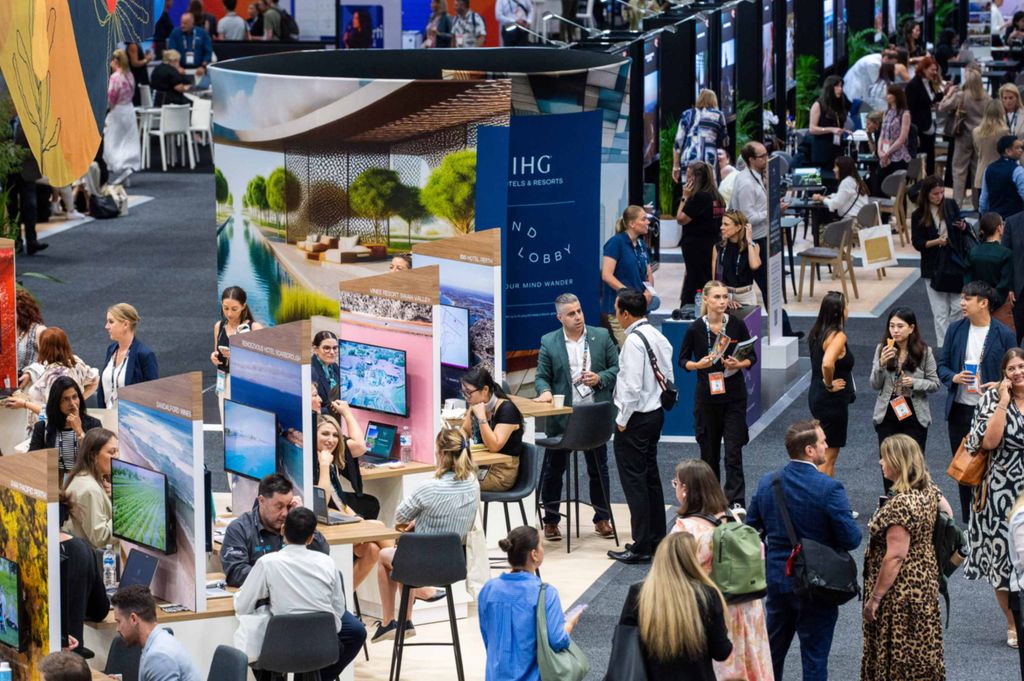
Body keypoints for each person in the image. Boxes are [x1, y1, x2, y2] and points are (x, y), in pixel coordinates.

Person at [746, 419, 861, 681]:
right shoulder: (829, 488)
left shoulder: (768, 483)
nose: (826, 445)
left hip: (778, 581)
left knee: (771, 655)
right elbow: (852, 538)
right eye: (822, 442)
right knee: (814, 660)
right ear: (809, 450)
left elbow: (751, 529)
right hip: (817, 586)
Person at [373, 426, 479, 642]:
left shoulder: (428, 487)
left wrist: (417, 519)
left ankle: (389, 622)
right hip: (455, 564)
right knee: (402, 555)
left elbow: (400, 516)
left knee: (386, 557)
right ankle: (406, 621)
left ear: (441, 454)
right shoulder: (473, 483)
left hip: (421, 563)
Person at [235, 507, 366, 680]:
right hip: (323, 646)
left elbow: (243, 605)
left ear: (283, 530)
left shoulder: (267, 563)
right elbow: (339, 610)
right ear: (311, 538)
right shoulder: (327, 563)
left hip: (281, 648)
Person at [671, 460, 772, 680]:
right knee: (749, 665)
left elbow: (672, 578)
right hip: (747, 606)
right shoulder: (732, 518)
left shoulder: (684, 530)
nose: (675, 488)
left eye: (675, 483)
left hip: (713, 612)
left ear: (685, 489)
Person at [861, 434, 951, 679]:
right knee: (922, 650)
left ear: (898, 462)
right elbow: (948, 515)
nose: (880, 462)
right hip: (925, 581)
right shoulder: (929, 490)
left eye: (884, 457)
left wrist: (875, 598)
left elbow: (895, 557)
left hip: (900, 592)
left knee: (899, 655)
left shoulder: (900, 504)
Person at [534, 293, 619, 541]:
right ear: (560, 317)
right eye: (571, 314)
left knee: (599, 469)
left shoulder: (601, 336)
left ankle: (602, 518)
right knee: (554, 470)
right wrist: (545, 391)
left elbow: (616, 368)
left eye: (579, 311)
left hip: (594, 416)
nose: (578, 317)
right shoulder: (549, 341)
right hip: (564, 417)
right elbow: (542, 377)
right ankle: (551, 521)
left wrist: (600, 378)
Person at [938, 280, 1017, 522]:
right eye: (962, 298)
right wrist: (954, 377)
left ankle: (993, 517)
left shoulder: (1004, 334)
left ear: (983, 303)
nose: (962, 303)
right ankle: (968, 521)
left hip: (992, 410)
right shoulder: (955, 330)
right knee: (964, 467)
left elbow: (1015, 371)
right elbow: (942, 366)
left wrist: (1000, 384)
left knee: (993, 465)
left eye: (967, 299)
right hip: (960, 410)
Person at [608, 288, 674, 564]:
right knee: (650, 478)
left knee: (634, 482)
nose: (615, 315)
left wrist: (622, 420)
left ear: (625, 313)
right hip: (655, 414)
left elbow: (631, 387)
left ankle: (641, 545)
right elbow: (668, 373)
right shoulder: (657, 334)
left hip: (635, 419)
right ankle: (656, 538)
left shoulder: (633, 342)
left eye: (616, 310)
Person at [679, 280, 756, 507]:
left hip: (734, 396)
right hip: (707, 398)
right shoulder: (695, 328)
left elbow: (752, 357)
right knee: (709, 454)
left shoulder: (736, 325)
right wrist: (698, 365)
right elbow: (682, 360)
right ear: (706, 300)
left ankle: (736, 502)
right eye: (717, 297)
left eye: (724, 297)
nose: (722, 301)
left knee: (733, 452)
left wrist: (739, 364)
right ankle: (710, 502)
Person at [617, 531, 732, 681]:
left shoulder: (639, 593)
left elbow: (623, 645)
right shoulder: (707, 595)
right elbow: (721, 652)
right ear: (692, 560)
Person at [478, 526, 582, 680]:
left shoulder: (488, 589)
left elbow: (488, 636)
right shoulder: (545, 593)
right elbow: (557, 641)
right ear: (534, 554)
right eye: (542, 545)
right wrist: (569, 624)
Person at [314, 413, 391, 587]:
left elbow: (340, 501)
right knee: (378, 527)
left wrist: (357, 520)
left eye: (335, 435)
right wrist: (324, 465)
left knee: (372, 550)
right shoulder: (316, 463)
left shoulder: (330, 461)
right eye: (325, 434)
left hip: (334, 517)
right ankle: (410, 577)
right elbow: (322, 501)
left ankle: (344, 599)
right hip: (317, 528)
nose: (331, 440)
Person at [219, 473, 330, 587]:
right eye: (279, 506)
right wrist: (282, 578)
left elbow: (323, 552)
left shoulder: (293, 524)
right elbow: (235, 573)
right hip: (261, 594)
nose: (285, 513)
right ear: (261, 501)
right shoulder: (240, 529)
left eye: (288, 506)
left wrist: (303, 519)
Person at [870, 308, 940, 483]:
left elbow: (935, 384)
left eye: (900, 326)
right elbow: (875, 384)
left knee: (913, 466)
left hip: (914, 411)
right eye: (892, 326)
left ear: (911, 328)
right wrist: (881, 364)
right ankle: (890, 499)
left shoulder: (924, 351)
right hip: (888, 411)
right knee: (888, 464)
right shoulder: (882, 349)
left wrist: (914, 383)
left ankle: (912, 498)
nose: (895, 330)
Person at [8, 327, 98, 437]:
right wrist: (76, 402)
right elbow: (94, 380)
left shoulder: (54, 376)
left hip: (52, 434)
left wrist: (24, 404)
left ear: (44, 347)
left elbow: (50, 412)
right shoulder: (75, 362)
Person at [911, 175, 969, 344]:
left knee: (958, 307)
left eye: (942, 192)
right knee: (940, 312)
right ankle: (944, 347)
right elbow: (918, 243)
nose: (939, 197)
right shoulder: (918, 214)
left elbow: (962, 228)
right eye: (935, 194)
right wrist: (937, 242)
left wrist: (963, 227)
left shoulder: (950, 205)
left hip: (954, 262)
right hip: (933, 266)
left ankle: (954, 342)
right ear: (926, 194)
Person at [807, 291, 855, 478]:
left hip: (816, 395)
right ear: (840, 312)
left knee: (824, 453)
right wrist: (829, 384)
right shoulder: (838, 336)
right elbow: (827, 363)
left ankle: (824, 493)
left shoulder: (816, 332)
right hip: (831, 401)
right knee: (828, 456)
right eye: (847, 306)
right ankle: (820, 494)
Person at [111, 585, 201, 681]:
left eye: (119, 622)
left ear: (133, 619)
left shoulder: (159, 656)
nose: (117, 629)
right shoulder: (158, 640)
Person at [57, 494, 109, 651]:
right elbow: (99, 610)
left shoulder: (29, 551)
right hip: (74, 654)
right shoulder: (83, 548)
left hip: (52, 656)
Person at [460, 365, 524, 491]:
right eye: (464, 393)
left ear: (485, 390)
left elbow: (494, 446)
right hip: (482, 465)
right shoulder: (476, 406)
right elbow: (465, 431)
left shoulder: (507, 409)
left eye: (469, 393)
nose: (466, 398)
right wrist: (457, 442)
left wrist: (482, 418)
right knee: (448, 478)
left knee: (458, 484)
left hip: (501, 472)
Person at [601, 205, 655, 345]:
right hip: (622, 310)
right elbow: (606, 275)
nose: (648, 222)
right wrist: (629, 294)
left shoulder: (642, 245)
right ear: (632, 224)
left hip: (640, 309)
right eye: (643, 219)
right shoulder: (615, 243)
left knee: (644, 349)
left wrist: (648, 291)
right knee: (631, 349)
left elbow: (648, 274)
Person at [676, 161, 725, 307]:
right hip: (712, 243)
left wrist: (684, 197)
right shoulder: (717, 196)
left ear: (696, 178)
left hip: (697, 246)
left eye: (689, 176)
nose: (687, 180)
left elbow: (680, 219)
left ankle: (692, 307)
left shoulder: (700, 197)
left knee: (695, 279)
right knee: (703, 277)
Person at [728, 142, 772, 305]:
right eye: (763, 156)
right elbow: (748, 217)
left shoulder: (755, 176)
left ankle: (780, 320)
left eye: (767, 154)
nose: (767, 158)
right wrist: (771, 212)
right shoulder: (746, 182)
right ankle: (779, 320)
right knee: (767, 286)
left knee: (768, 286)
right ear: (751, 160)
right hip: (753, 240)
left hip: (758, 237)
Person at [939, 67, 989, 207]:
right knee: (977, 171)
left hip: (963, 136)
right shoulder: (987, 97)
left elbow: (942, 107)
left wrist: (949, 94)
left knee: (959, 170)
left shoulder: (961, 95)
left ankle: (957, 204)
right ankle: (977, 204)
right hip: (980, 138)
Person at [26, 377, 102, 469]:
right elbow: (31, 461)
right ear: (56, 402)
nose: (72, 403)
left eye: (75, 397)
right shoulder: (42, 427)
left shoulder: (94, 424)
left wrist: (79, 432)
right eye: (66, 399)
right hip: (53, 476)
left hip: (84, 476)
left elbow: (98, 460)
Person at [61, 428, 118, 550]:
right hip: (93, 557)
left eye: (117, 451)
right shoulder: (90, 489)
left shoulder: (82, 476)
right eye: (111, 452)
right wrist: (123, 514)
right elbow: (101, 538)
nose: (117, 457)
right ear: (93, 455)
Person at [97, 303, 158, 409]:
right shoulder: (111, 350)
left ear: (125, 324)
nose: (106, 326)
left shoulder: (144, 355)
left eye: (111, 322)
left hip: (131, 418)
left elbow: (152, 396)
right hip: (107, 416)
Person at [967, 213, 1015, 332]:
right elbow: (1004, 284)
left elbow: (967, 279)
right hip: (999, 306)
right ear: (999, 228)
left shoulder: (973, 252)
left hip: (977, 303)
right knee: (1002, 337)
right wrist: (993, 302)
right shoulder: (1005, 254)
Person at [672, 89, 729, 185]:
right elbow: (725, 142)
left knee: (689, 189)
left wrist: (675, 166)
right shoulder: (718, 115)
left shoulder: (687, 114)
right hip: (709, 158)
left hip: (689, 157)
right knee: (709, 189)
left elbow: (678, 143)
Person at [710, 211, 762, 308]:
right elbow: (715, 279)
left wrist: (749, 241)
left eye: (726, 224)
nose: (721, 227)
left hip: (746, 296)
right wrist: (725, 298)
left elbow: (754, 265)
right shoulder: (718, 248)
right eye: (722, 224)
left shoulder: (753, 246)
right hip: (725, 296)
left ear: (738, 227)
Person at [103, 50, 140, 181]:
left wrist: (106, 109)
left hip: (117, 111)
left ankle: (118, 165)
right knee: (128, 140)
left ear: (116, 61)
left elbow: (111, 97)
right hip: (129, 109)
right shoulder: (129, 75)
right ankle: (128, 164)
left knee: (113, 139)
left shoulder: (115, 77)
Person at [906, 56, 946, 175]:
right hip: (919, 127)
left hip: (930, 124)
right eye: (932, 70)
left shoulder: (929, 83)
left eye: (936, 70)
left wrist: (943, 92)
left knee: (930, 156)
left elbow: (932, 100)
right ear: (924, 69)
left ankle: (930, 181)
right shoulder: (913, 85)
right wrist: (914, 133)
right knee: (918, 158)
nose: (934, 72)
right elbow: (910, 110)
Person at [210, 285, 263, 373]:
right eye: (226, 308)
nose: (229, 314)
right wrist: (214, 356)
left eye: (234, 309)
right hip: (222, 378)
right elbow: (217, 352)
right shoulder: (218, 326)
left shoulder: (255, 328)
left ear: (243, 306)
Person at [875, 84, 912, 195]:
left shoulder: (905, 114)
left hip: (898, 155)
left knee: (899, 191)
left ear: (896, 96)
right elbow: (882, 135)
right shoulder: (886, 113)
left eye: (889, 94)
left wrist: (888, 153)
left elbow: (902, 139)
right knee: (879, 186)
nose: (886, 96)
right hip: (884, 154)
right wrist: (880, 151)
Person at [808, 75, 849, 176]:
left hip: (837, 149)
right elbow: (812, 128)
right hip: (822, 150)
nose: (840, 89)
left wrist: (844, 131)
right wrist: (830, 129)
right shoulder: (818, 105)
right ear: (830, 88)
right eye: (837, 86)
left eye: (841, 86)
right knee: (826, 178)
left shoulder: (839, 105)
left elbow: (838, 125)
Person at [811, 156, 870, 222]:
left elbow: (834, 204)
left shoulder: (847, 182)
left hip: (851, 222)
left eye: (835, 167)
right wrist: (829, 196)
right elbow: (844, 196)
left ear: (843, 168)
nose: (833, 170)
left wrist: (820, 198)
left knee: (821, 223)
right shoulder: (854, 180)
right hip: (860, 220)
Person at [975, 98, 1011, 205]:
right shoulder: (1004, 131)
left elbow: (978, 151)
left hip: (981, 173)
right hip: (999, 173)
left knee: (983, 208)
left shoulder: (976, 131)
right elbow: (1008, 151)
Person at [980, 135, 1024, 218]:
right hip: (1014, 219)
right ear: (1008, 151)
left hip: (995, 219)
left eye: (1021, 147)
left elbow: (983, 200)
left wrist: (984, 216)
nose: (1021, 150)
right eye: (1017, 148)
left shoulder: (988, 169)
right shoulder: (1018, 170)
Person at [310, 330, 342, 415]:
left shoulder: (334, 366)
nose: (332, 352)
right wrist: (336, 409)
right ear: (315, 349)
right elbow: (311, 407)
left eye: (335, 348)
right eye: (327, 348)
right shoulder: (311, 372)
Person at [15, 288, 45, 375]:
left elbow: (50, 362)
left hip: (33, 382)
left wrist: (31, 373)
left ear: (22, 311)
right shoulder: (6, 330)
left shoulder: (38, 331)